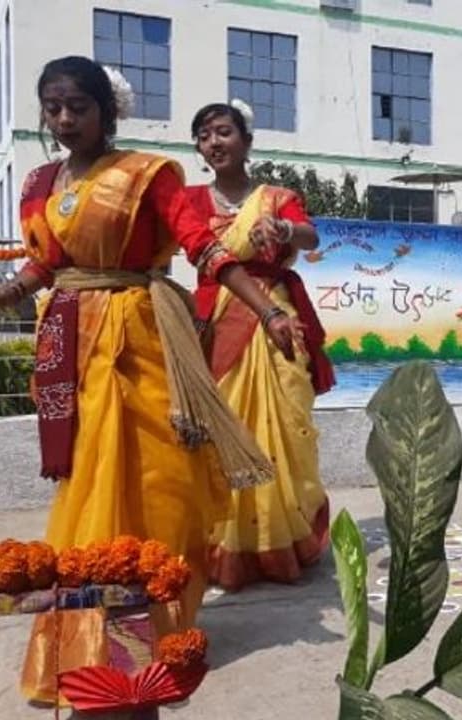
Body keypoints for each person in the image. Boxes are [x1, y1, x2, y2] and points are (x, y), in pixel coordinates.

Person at [0, 56, 300, 705]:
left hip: (143, 337)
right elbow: (41, 270)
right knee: (89, 482)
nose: (63, 119)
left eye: (76, 106)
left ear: (107, 111)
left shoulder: (147, 175)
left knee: (164, 480)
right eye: (52, 106)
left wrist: (269, 310)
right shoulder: (40, 184)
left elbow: (208, 250)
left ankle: (162, 634)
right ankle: (85, 648)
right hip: (72, 343)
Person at [187, 100, 336, 591]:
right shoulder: (190, 202)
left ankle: (285, 543)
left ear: (246, 141)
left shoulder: (276, 197)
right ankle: (227, 549)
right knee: (223, 430)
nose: (214, 142)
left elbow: (311, 235)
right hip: (216, 325)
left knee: (286, 427)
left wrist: (286, 229)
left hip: (276, 324)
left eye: (224, 132)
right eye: (205, 135)